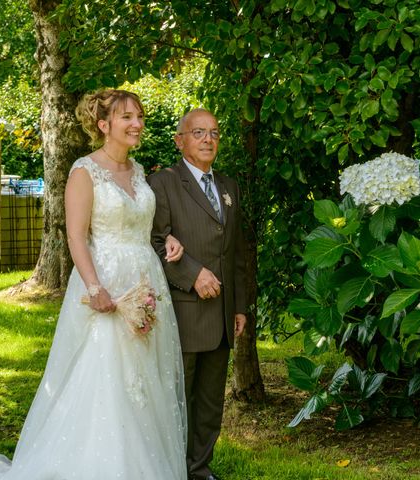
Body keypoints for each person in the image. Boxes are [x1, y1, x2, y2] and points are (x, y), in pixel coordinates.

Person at [0, 89, 188, 480]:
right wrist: (95, 289)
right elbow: (76, 236)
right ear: (104, 125)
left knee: (145, 378)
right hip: (106, 282)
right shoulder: (83, 171)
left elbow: (146, 227)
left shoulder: (139, 172)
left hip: (145, 281)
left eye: (139, 116)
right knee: (108, 376)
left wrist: (168, 240)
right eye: (127, 117)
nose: (137, 124)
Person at [148, 108, 247, 480]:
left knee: (209, 402)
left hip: (222, 313)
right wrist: (193, 274)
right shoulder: (164, 183)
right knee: (180, 398)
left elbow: (235, 251)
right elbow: (155, 242)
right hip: (185, 309)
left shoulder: (229, 186)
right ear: (180, 140)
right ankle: (172, 468)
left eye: (215, 133)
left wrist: (239, 306)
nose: (208, 140)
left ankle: (199, 470)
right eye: (199, 133)